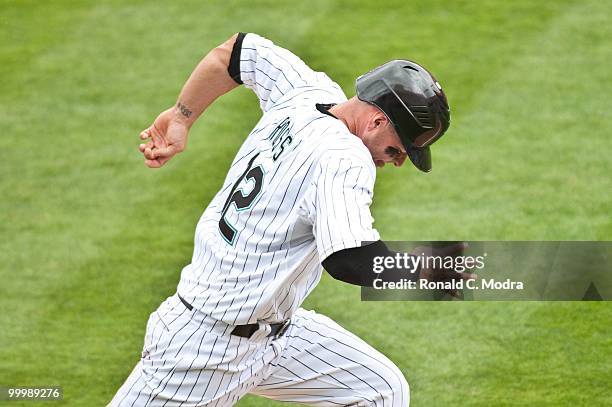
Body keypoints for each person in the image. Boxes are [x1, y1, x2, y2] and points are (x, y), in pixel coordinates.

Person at [110, 32, 455, 406]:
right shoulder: (344, 158)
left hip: (278, 339)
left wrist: (181, 117)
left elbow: (236, 52)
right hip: (203, 352)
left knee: (381, 390)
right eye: (397, 148)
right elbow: (349, 259)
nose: (397, 161)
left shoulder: (305, 93)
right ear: (374, 121)